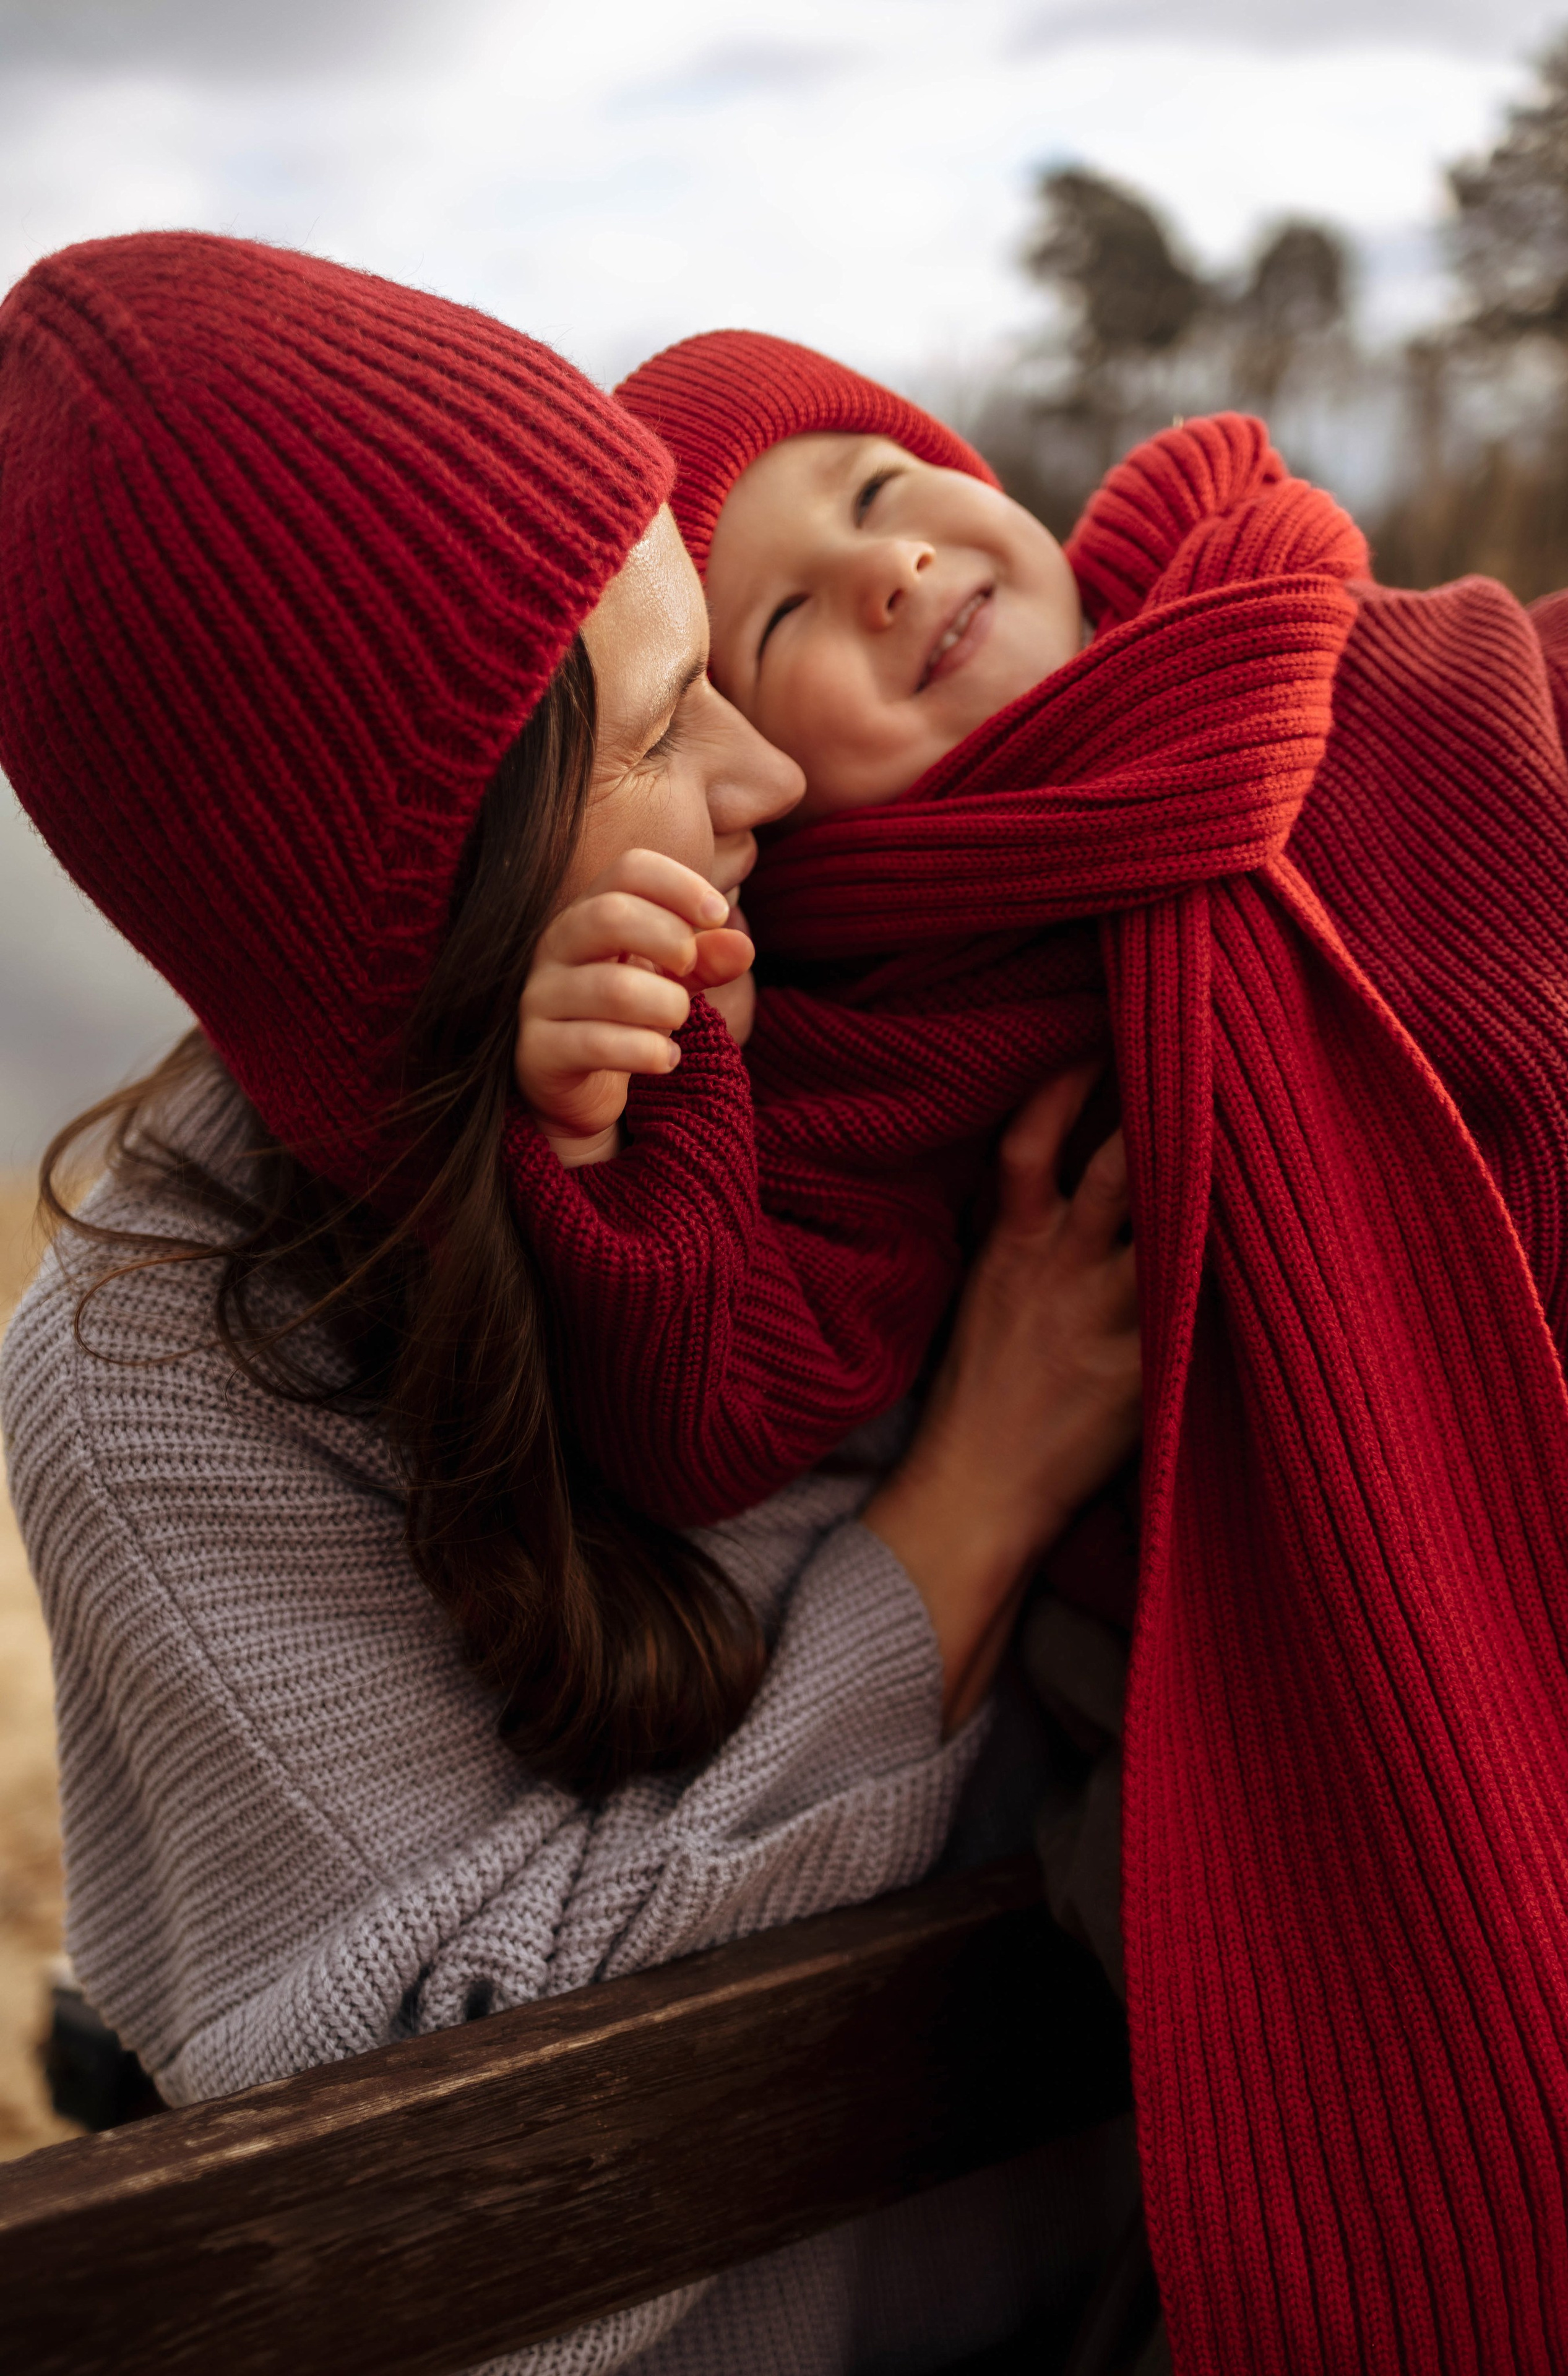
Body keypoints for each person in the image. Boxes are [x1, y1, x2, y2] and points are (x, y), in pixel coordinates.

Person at [0, 236, 1146, 2375]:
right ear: (431, 882)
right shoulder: (160, 1373)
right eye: (648, 729)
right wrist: (972, 1505)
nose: (767, 782)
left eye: (722, 661)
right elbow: (471, 2160)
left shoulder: (830, 999)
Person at [488, 330, 1568, 2376]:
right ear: (749, 768)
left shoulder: (1339, 656)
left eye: (886, 492)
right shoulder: (868, 1001)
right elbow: (722, 1397)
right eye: (791, 608)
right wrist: (624, 1122)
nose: (892, 571)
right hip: (1263, 1674)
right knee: (1357, 2114)